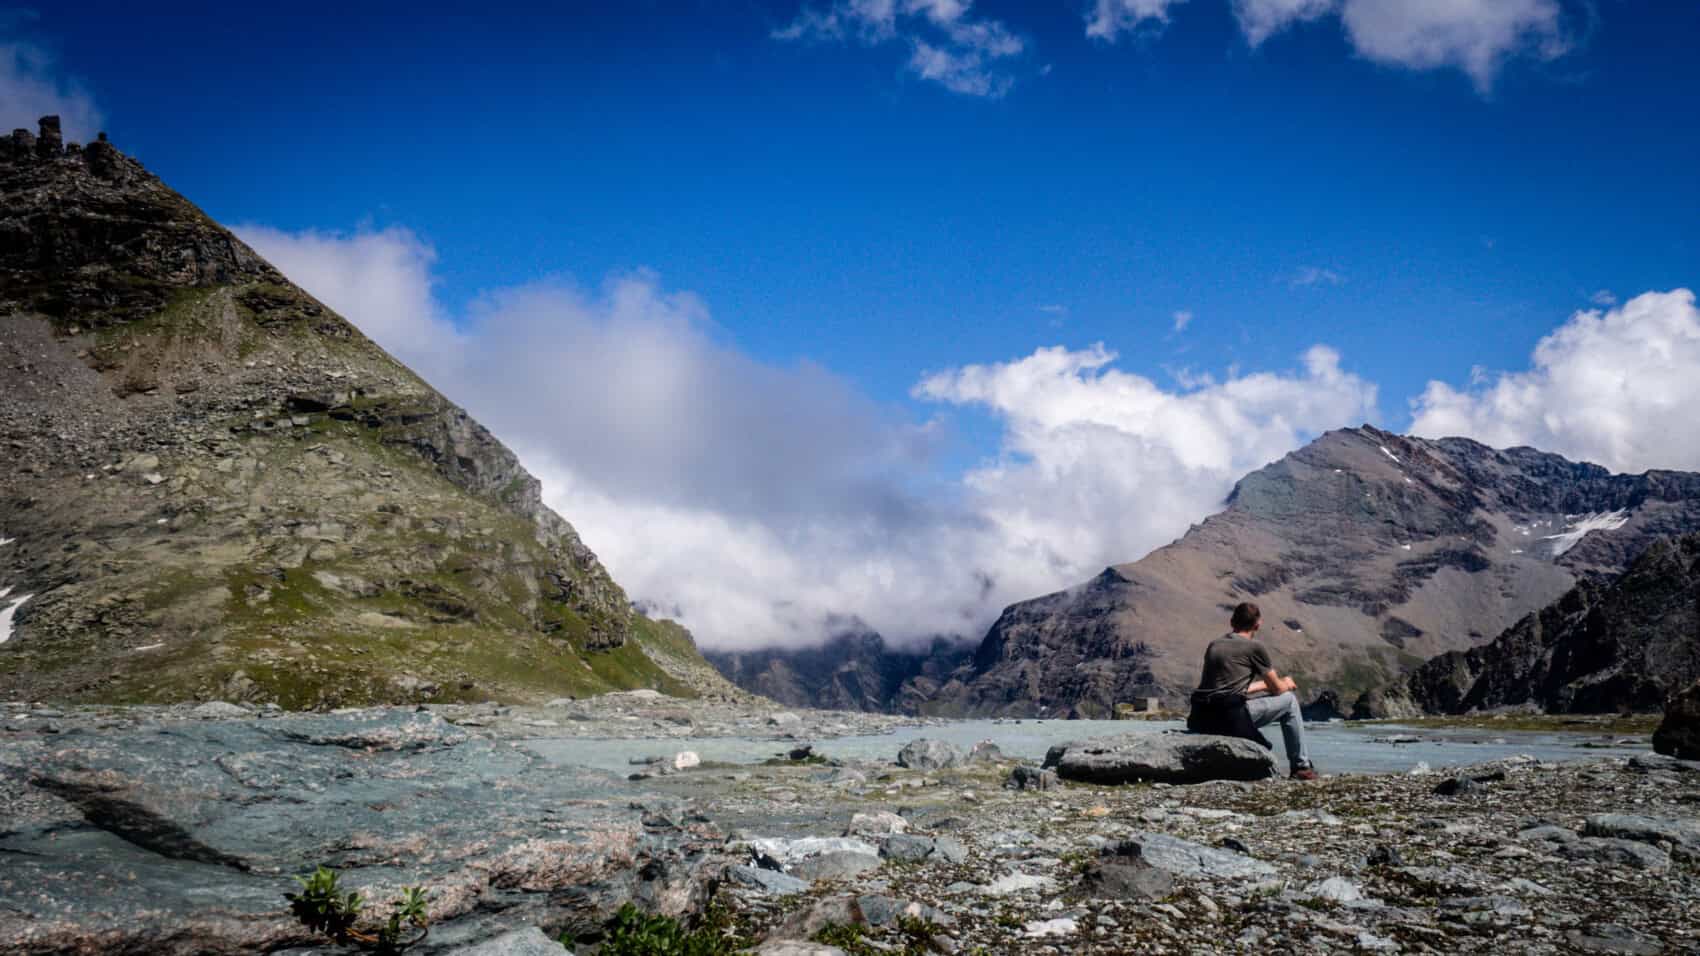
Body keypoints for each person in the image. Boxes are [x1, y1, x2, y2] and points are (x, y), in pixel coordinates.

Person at [1186, 601, 1319, 780]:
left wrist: (1264, 686)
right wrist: (1286, 683)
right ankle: (1301, 767)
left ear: (1232, 622)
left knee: (1244, 701)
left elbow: (1228, 689)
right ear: (1257, 625)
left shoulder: (1214, 645)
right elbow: (1278, 689)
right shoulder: (1254, 648)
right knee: (1289, 700)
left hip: (1202, 718)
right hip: (1229, 718)